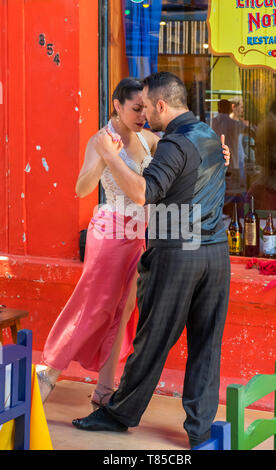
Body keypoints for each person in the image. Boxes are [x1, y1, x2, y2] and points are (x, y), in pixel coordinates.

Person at [72, 72, 231, 450]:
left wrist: (110, 156)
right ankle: (200, 432)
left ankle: (118, 414)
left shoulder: (173, 144)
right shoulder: (207, 134)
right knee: (207, 345)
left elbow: (143, 193)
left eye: (146, 106)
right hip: (215, 253)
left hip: (179, 253)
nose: (144, 113)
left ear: (162, 106)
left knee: (152, 340)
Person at [37, 78, 159, 406]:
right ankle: (48, 373)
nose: (142, 115)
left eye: (144, 109)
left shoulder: (148, 138)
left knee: (126, 309)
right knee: (95, 307)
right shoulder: (100, 140)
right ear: (116, 105)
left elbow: (180, 159)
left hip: (138, 234)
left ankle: (105, 389)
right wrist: (107, 157)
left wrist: (218, 153)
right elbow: (81, 189)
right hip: (109, 232)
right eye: (135, 108)